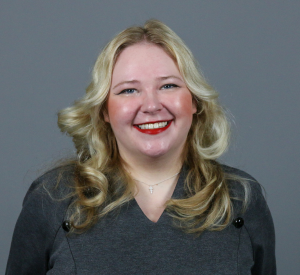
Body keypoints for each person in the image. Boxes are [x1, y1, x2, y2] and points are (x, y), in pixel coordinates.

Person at [6, 19, 276, 274]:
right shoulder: (53, 200)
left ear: (194, 102)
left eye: (168, 85)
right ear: (104, 111)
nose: (151, 105)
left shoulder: (240, 199)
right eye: (128, 90)